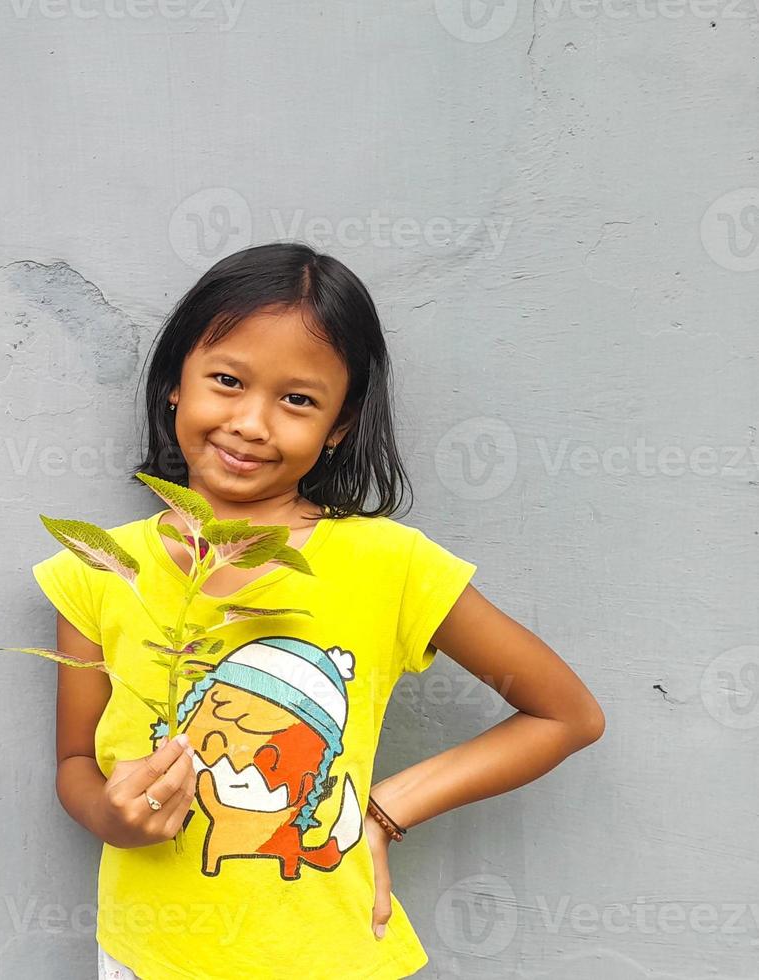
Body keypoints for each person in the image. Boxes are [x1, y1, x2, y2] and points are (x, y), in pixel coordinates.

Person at [31, 242, 605, 980]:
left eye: (298, 400)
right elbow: (77, 762)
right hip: (148, 956)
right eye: (228, 381)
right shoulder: (101, 568)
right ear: (176, 381)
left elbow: (567, 715)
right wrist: (109, 815)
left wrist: (385, 809)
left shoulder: (390, 566)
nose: (251, 423)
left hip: (330, 959)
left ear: (340, 423)